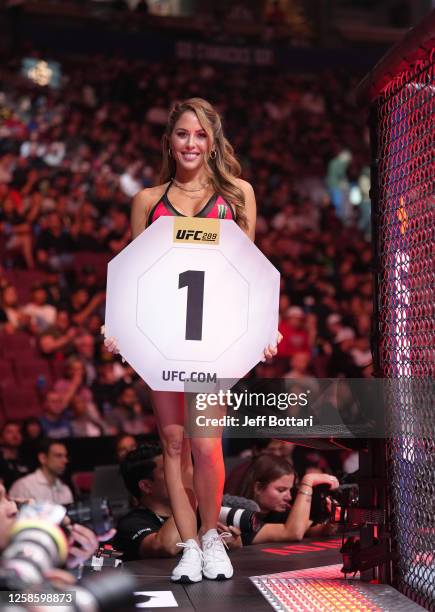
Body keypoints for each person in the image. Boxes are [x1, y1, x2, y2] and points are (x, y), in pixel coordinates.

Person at [103, 98, 280, 583]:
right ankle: (187, 545)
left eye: (200, 135)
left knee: (206, 447)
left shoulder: (237, 195)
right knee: (173, 443)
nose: (190, 143)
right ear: (170, 142)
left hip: (214, 340)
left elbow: (251, 272)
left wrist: (268, 328)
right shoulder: (146, 200)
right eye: (182, 134)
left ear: (213, 142)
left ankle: (210, 538)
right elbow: (133, 276)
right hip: (162, 339)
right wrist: (114, 325)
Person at [234, 453, 339, 545]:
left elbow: (312, 529)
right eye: (281, 490)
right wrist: (307, 482)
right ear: (258, 488)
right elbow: (294, 533)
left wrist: (332, 521)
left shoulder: (278, 512)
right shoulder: (239, 516)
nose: (289, 497)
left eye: (290, 490)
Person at [8, 439, 73, 505]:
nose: (65, 460)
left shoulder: (65, 489)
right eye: (58, 456)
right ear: (43, 458)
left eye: (65, 456)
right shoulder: (24, 486)